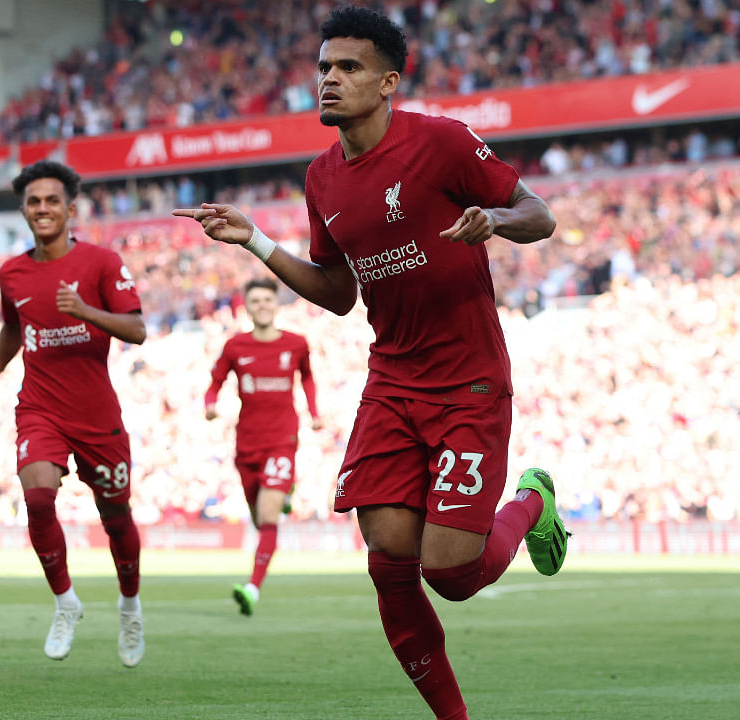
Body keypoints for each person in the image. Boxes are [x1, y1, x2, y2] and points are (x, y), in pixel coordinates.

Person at [173, 7, 568, 718]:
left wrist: (495, 222)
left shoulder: (442, 143)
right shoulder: (321, 178)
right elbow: (337, 293)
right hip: (392, 381)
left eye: (348, 68)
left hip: (470, 381)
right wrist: (258, 242)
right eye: (325, 67)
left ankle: (533, 500)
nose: (330, 79)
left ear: (388, 81)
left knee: (450, 574)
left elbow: (538, 212)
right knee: (388, 561)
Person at [0, 160, 148, 668]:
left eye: (52, 201)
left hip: (97, 414)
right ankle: (65, 601)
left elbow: (136, 329)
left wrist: (86, 312)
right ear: (24, 209)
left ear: (70, 209)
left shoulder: (102, 263)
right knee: (37, 496)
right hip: (40, 408)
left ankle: (129, 605)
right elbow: (12, 331)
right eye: (34, 201)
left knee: (116, 516)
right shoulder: (12, 272)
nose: (43, 209)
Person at [204, 277, 322, 615]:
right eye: (255, 301)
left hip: (282, 440)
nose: (262, 306)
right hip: (247, 444)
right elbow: (215, 382)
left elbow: (308, 378)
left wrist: (314, 413)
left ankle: (252, 588)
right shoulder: (235, 346)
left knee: (268, 516)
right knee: (259, 518)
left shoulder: (296, 344)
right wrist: (210, 404)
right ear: (247, 306)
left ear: (276, 304)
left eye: (267, 300)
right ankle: (283, 493)